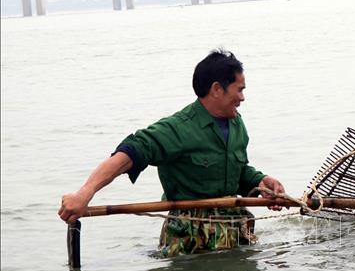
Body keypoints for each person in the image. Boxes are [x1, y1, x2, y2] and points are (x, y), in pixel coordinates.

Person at [59, 48, 285, 256]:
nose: (243, 98)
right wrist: (85, 194)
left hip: (235, 234)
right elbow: (129, 154)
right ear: (217, 89)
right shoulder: (178, 128)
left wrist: (262, 182)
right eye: (240, 90)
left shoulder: (236, 125)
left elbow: (237, 171)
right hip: (189, 243)